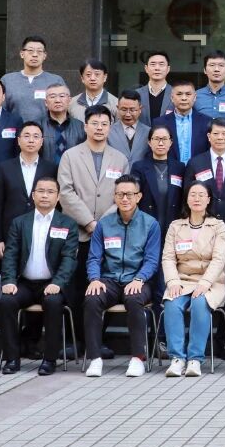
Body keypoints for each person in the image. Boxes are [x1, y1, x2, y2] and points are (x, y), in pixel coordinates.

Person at [58, 105, 129, 355]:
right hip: (78, 233)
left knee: (105, 287)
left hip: (110, 234)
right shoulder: (70, 156)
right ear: (85, 126)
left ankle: (98, 341)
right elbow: (65, 192)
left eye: (104, 124)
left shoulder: (120, 159)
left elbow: (124, 194)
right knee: (78, 287)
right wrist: (89, 222)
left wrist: (102, 224)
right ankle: (79, 341)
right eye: (95, 123)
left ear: (111, 127)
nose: (99, 128)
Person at [0, 175, 79, 375]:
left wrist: (58, 282)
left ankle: (49, 360)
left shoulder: (67, 224)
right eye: (40, 191)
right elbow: (10, 255)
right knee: (6, 301)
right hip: (25, 283)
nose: (44, 195)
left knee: (53, 302)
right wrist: (8, 280)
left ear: (58, 197)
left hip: (51, 284)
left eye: (50, 192)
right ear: (33, 195)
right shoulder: (20, 222)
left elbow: (69, 258)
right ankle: (11, 359)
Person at [83, 176, 161, 377]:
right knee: (92, 298)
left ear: (139, 196)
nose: (124, 198)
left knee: (134, 298)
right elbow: (94, 257)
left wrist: (139, 278)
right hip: (109, 280)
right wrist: (94, 279)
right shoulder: (104, 224)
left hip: (138, 279)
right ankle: (95, 358)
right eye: (120, 194)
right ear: (114, 197)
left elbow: (152, 260)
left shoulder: (150, 224)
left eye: (129, 194)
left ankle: (137, 358)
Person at [183, 118, 225, 317]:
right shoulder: (196, 163)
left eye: (224, 134)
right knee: (202, 275)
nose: (220, 137)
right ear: (208, 136)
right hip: (201, 230)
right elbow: (187, 199)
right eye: (216, 133)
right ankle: (203, 328)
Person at [162, 181, 225, 377]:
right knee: (171, 302)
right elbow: (168, 258)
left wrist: (205, 283)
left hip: (211, 282)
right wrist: (173, 281)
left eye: (201, 195)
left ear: (209, 199)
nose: (197, 198)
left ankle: (194, 359)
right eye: (193, 194)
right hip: (182, 280)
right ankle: (177, 358)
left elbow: (219, 259)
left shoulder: (218, 226)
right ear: (186, 198)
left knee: (200, 303)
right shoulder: (176, 226)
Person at [0, 122, 56, 261]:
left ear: (42, 142)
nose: (31, 140)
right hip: (10, 234)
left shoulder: (51, 169)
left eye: (36, 136)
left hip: (42, 232)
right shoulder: (4, 168)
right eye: (26, 136)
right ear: (18, 140)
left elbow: (56, 205)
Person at [131, 125, 185, 237]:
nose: (160, 143)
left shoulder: (179, 167)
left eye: (164, 139)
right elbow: (134, 198)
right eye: (156, 139)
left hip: (174, 224)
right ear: (149, 142)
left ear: (170, 142)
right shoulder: (139, 167)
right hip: (146, 224)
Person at [2, 37, 65, 124]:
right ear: (22, 54)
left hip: (48, 130)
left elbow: (63, 110)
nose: (35, 55)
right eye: (30, 51)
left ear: (44, 56)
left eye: (39, 51)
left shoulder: (56, 80)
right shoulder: (8, 80)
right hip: (16, 129)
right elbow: (1, 110)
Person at [153, 79, 210, 166]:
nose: (184, 98)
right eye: (179, 94)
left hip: (199, 170)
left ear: (195, 97)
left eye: (188, 94)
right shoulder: (159, 123)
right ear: (172, 98)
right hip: (169, 170)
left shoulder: (206, 122)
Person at [40, 84, 85, 165]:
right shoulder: (37, 126)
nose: (57, 100)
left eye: (62, 96)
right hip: (45, 172)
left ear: (69, 100)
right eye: (52, 96)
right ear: (46, 102)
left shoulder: (80, 127)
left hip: (73, 171)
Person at [195, 49, 225, 125]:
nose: (216, 69)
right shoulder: (195, 96)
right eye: (212, 65)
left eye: (221, 65)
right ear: (205, 70)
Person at [106, 91, 149, 163]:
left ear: (140, 109)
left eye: (132, 110)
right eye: (124, 110)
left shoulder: (149, 132)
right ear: (117, 108)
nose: (128, 114)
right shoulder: (108, 131)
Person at [135, 51, 172, 124]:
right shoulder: (136, 94)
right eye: (153, 64)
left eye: (161, 64)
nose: (157, 68)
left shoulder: (176, 94)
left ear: (168, 69)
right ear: (146, 68)